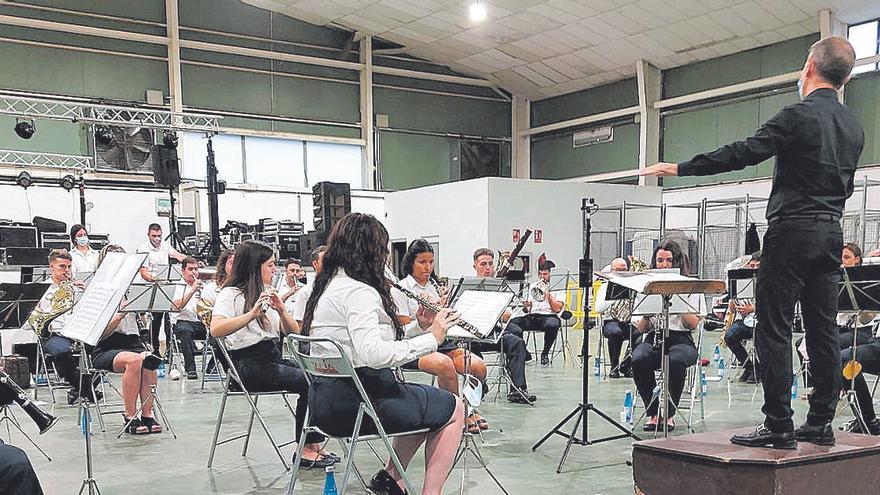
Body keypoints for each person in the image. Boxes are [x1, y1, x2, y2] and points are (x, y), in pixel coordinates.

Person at [642, 36, 863, 449]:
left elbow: (743, 152)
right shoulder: (854, 125)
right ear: (847, 76)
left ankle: (778, 425)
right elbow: (846, 185)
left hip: (791, 231)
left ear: (809, 67)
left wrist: (680, 167)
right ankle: (820, 423)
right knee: (823, 330)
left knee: (774, 330)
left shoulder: (797, 115)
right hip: (831, 231)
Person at [302, 213, 464, 495]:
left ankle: (390, 478)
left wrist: (419, 326)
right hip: (356, 404)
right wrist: (433, 337)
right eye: (382, 251)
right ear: (370, 251)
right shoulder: (359, 291)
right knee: (454, 408)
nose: (385, 260)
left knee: (423, 403)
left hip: (323, 404)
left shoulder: (327, 286)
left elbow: (363, 342)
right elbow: (373, 354)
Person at [210, 240, 335, 469]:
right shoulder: (231, 294)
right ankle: (305, 448)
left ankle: (314, 444)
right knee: (309, 381)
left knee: (320, 375)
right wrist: (251, 314)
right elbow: (216, 329)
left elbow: (294, 332)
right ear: (255, 267)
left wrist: (281, 309)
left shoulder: (266, 293)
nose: (274, 270)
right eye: (270, 265)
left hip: (271, 357)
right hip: (246, 364)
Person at [392, 239, 489, 433]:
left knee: (478, 367)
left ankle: (470, 408)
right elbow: (401, 331)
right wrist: (423, 322)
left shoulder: (434, 286)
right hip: (414, 345)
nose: (428, 267)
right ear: (411, 262)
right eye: (422, 262)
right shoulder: (400, 289)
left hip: (441, 342)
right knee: (445, 366)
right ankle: (454, 417)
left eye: (431, 262)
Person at [91, 245, 162, 434]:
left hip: (132, 342)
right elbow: (100, 334)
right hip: (106, 346)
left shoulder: (132, 289)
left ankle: (147, 414)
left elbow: (141, 326)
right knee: (134, 360)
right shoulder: (99, 291)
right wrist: (121, 314)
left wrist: (143, 310)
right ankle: (129, 416)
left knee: (150, 360)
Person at [630, 241, 700, 432]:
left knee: (676, 360)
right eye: (660, 260)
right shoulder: (647, 287)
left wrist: (675, 297)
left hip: (682, 339)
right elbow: (643, 329)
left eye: (669, 260)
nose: (664, 265)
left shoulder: (691, 285)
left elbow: (692, 324)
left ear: (677, 262)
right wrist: (647, 310)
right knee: (638, 358)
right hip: (655, 336)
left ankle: (668, 414)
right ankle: (653, 413)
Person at [27, 249, 98, 405]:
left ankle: (78, 389)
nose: (67, 271)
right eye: (62, 267)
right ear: (51, 266)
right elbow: (33, 317)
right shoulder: (41, 289)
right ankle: (87, 389)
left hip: (76, 332)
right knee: (62, 352)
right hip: (52, 334)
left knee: (102, 349)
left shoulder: (75, 288)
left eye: (69, 267)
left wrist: (85, 293)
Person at [471, 248, 534, 404]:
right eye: (483, 264)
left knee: (516, 342)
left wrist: (497, 308)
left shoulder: (500, 287)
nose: (487, 268)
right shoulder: (468, 287)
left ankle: (517, 389)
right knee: (469, 348)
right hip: (473, 334)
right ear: (475, 266)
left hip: (495, 333)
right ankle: (480, 386)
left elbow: (506, 316)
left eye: (490, 264)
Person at [136, 223, 187, 357]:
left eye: (159, 236)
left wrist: (189, 261)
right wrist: (156, 279)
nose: (157, 239)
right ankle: (155, 350)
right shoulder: (143, 249)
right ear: (148, 235)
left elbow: (177, 254)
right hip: (152, 287)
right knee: (156, 319)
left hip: (165, 286)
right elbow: (144, 273)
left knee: (169, 317)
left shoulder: (165, 245)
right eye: (154, 236)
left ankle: (170, 349)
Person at [505, 260, 564, 366]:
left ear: (552, 274)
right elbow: (526, 310)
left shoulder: (558, 287)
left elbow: (557, 309)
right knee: (512, 323)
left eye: (545, 274)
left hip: (549, 316)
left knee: (553, 324)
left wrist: (548, 295)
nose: (542, 277)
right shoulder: (533, 286)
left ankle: (545, 353)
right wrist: (526, 305)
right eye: (540, 274)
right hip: (533, 317)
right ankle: (524, 352)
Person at [594, 257, 636, 378]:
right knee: (615, 333)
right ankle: (614, 367)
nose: (621, 272)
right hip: (610, 321)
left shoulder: (632, 286)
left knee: (639, 333)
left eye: (624, 269)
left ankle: (626, 365)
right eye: (618, 269)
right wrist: (614, 297)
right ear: (611, 270)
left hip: (628, 320)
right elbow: (598, 308)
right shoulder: (604, 286)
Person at [724, 252, 761, 383]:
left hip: (763, 321)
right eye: (752, 266)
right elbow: (732, 309)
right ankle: (749, 367)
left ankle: (759, 368)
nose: (754, 269)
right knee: (729, 336)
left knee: (760, 337)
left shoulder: (769, 281)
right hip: (745, 320)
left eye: (757, 266)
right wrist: (733, 303)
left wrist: (754, 308)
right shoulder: (743, 282)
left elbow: (773, 304)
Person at [171, 256, 206, 380]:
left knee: (218, 330)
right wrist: (192, 291)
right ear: (183, 271)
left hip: (200, 322)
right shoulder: (177, 286)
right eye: (190, 269)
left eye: (196, 269)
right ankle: (190, 369)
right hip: (182, 321)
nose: (194, 272)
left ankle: (212, 367)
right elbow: (175, 306)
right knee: (186, 332)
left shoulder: (203, 285)